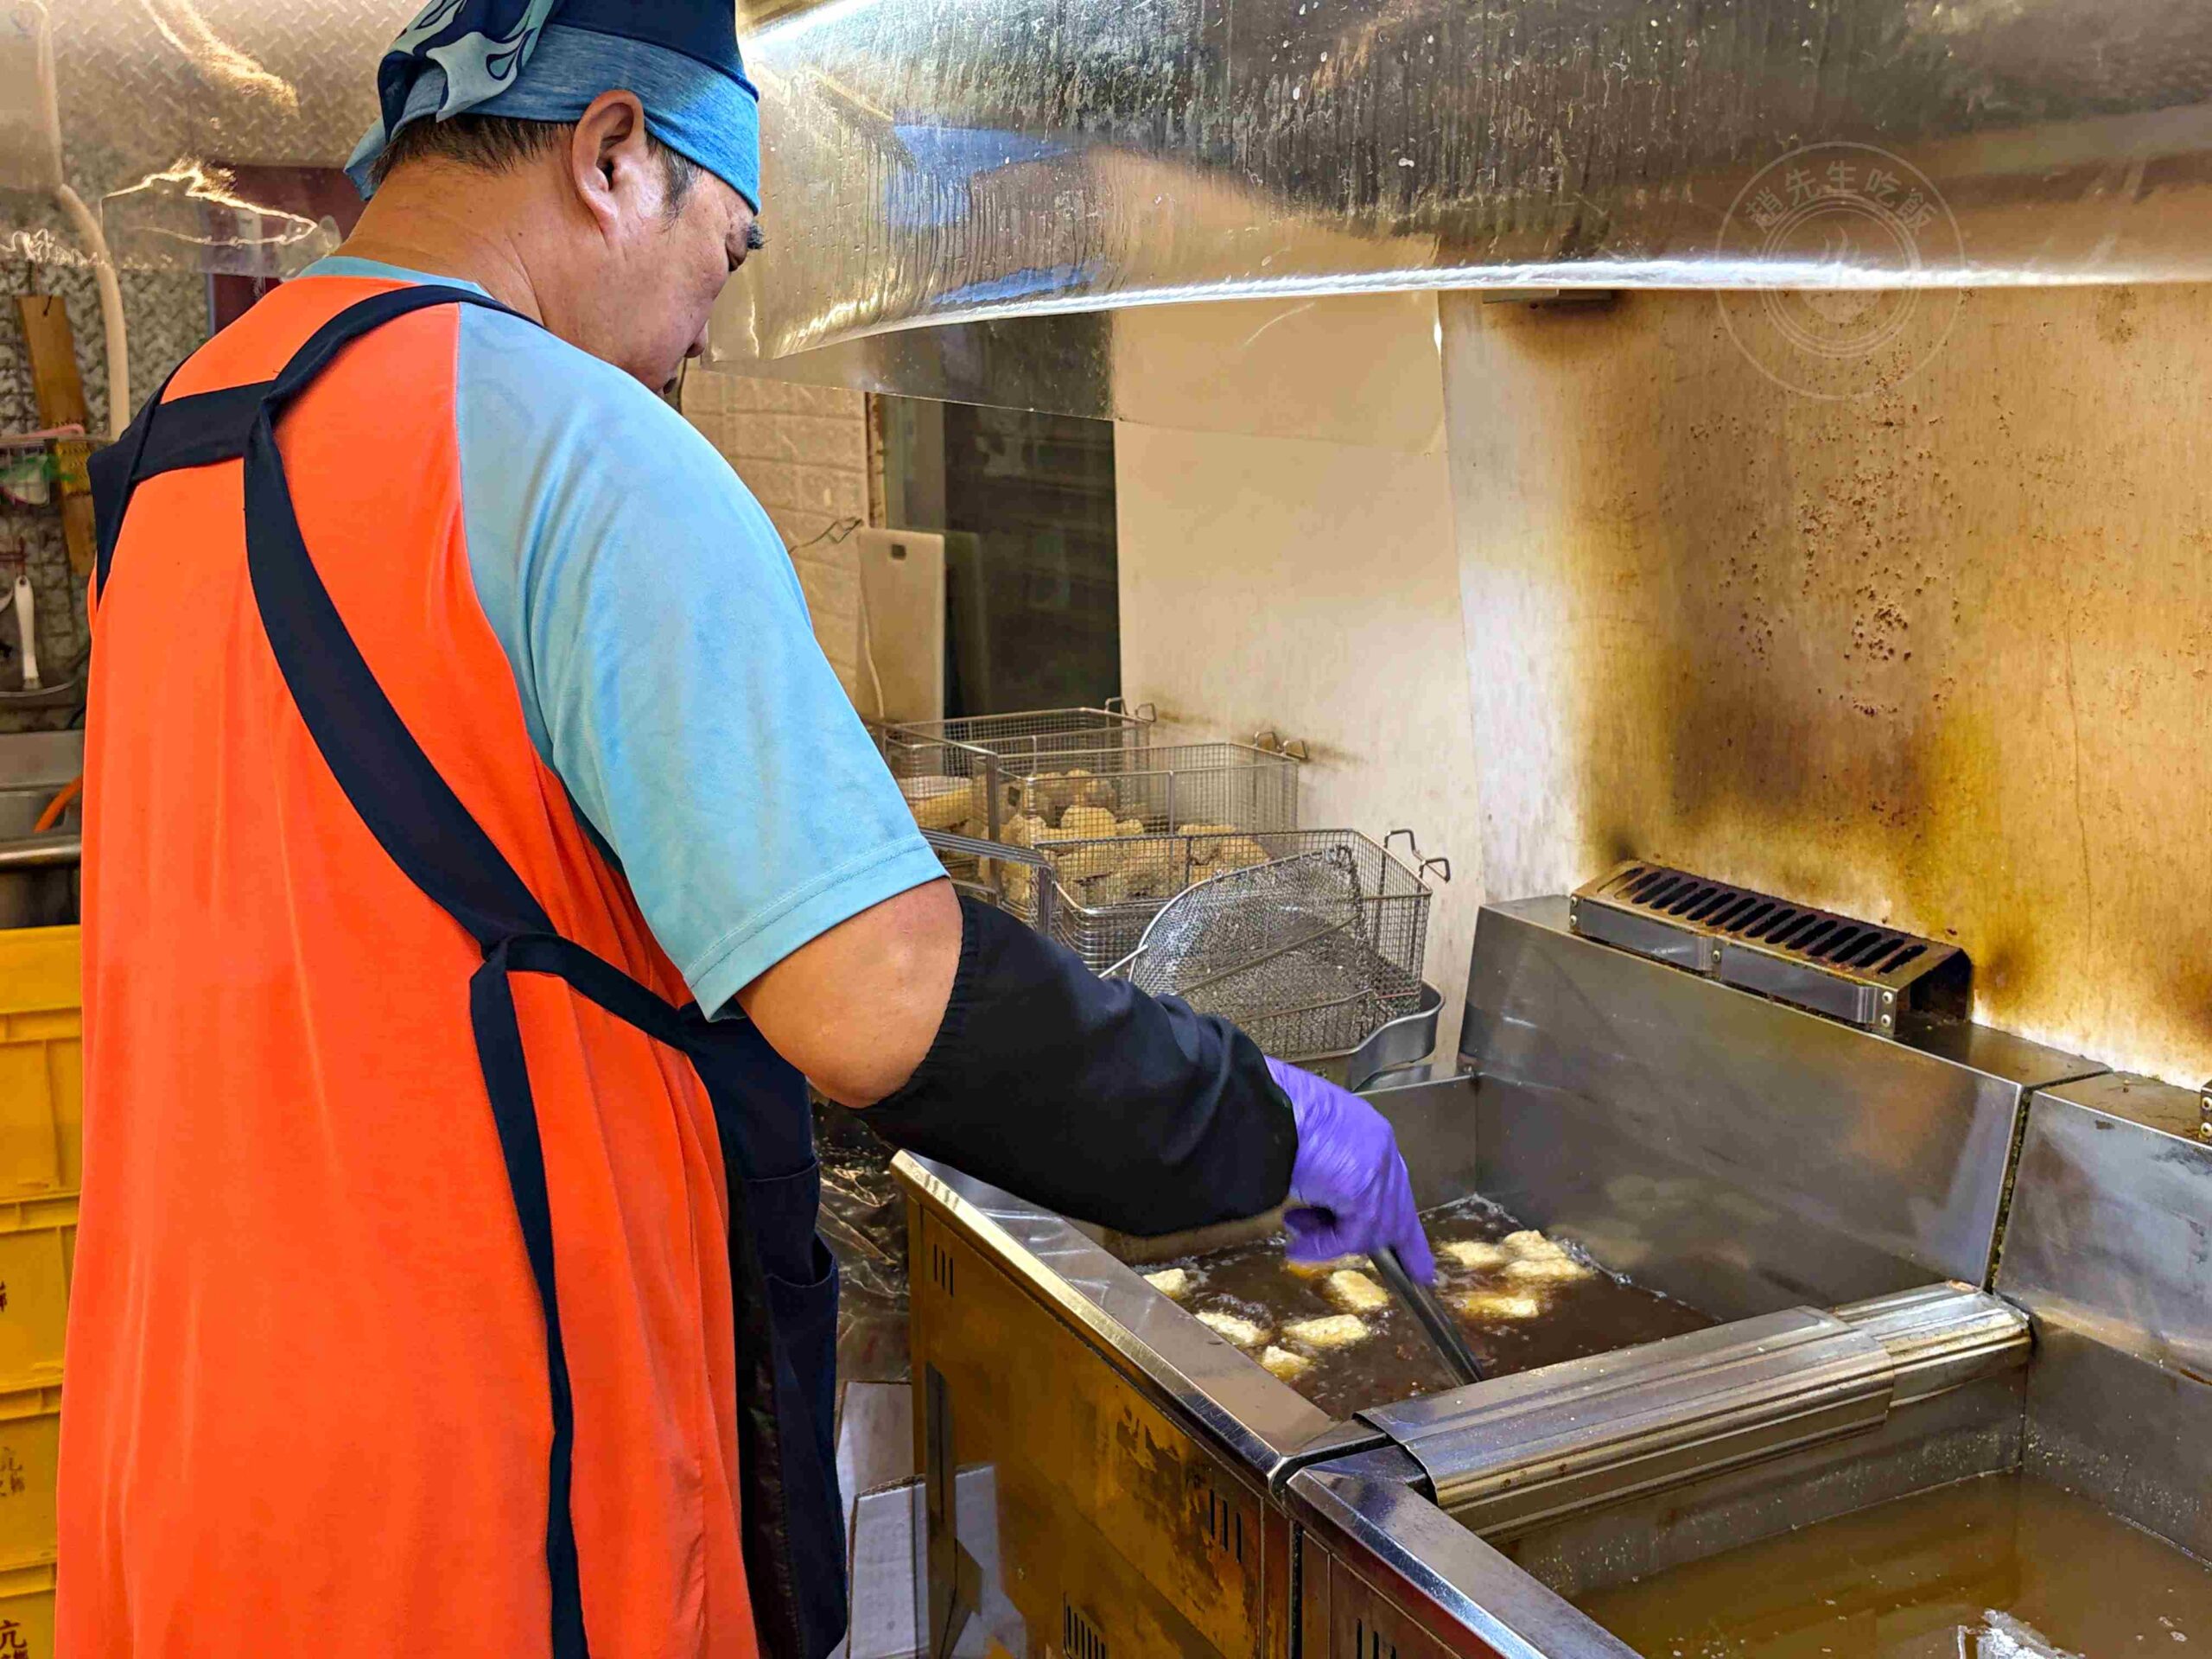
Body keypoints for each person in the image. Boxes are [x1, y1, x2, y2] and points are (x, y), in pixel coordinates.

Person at [57, 2, 1432, 1654]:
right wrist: (1257, 1124)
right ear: (613, 155)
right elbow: (876, 1003)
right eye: (731, 246)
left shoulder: (183, 443)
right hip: (493, 1508)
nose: (712, 325)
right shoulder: (579, 451)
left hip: (194, 1462)